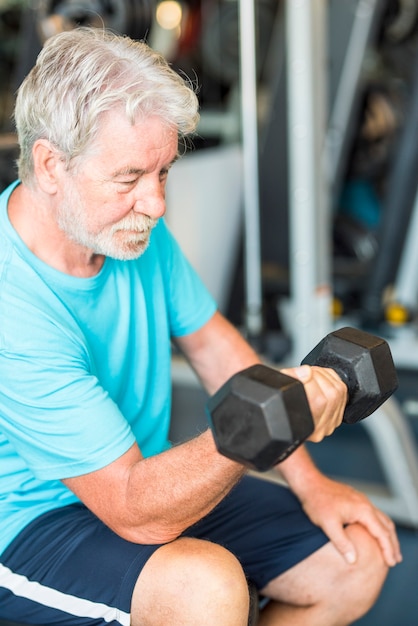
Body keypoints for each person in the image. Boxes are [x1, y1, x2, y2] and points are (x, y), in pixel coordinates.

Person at [0, 27, 401, 626]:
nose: (156, 203)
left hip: (144, 473)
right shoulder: (14, 307)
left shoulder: (128, 231)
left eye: (163, 173)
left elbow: (214, 346)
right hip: (32, 525)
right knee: (208, 591)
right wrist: (252, 430)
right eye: (130, 177)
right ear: (52, 165)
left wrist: (311, 482)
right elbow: (136, 510)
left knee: (355, 558)